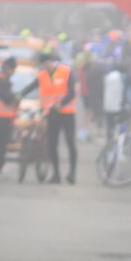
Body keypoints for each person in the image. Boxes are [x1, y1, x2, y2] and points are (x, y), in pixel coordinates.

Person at [24, 52, 78, 183]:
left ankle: (72, 173)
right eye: (43, 64)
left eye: (47, 63)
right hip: (51, 114)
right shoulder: (42, 75)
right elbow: (31, 86)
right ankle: (56, 174)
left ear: (52, 62)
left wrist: (61, 104)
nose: (46, 66)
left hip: (67, 113)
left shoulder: (66, 72)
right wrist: (19, 95)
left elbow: (71, 93)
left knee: (70, 142)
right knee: (52, 144)